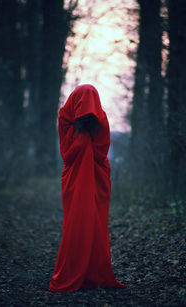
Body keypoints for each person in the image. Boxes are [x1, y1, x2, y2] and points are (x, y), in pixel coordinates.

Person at [48, 84, 126, 292]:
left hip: (97, 178)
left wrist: (88, 129)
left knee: (97, 225)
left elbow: (101, 152)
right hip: (75, 179)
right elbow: (69, 153)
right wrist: (82, 133)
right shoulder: (67, 119)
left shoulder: (100, 122)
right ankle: (74, 271)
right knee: (76, 223)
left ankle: (94, 272)